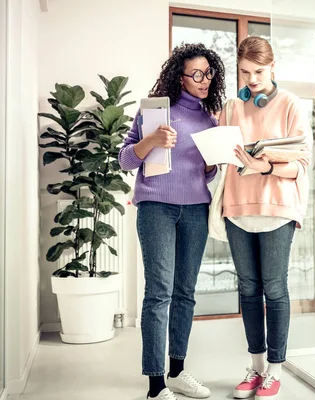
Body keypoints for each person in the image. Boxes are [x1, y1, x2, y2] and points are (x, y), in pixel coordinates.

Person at [119, 43, 226, 400]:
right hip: (156, 209)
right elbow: (125, 160)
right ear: (178, 77)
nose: (204, 80)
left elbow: (204, 175)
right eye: (196, 74)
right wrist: (150, 140)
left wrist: (211, 167)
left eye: (209, 73)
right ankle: (155, 384)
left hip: (196, 209)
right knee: (159, 293)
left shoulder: (211, 119)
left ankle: (178, 372)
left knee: (185, 293)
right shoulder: (154, 112)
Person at [218, 36, 311, 399]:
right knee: (248, 291)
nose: (251, 79)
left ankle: (274, 370)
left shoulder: (290, 104)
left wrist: (266, 164)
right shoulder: (230, 107)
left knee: (274, 289)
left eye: (259, 71)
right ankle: (255, 369)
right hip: (238, 210)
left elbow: (300, 164)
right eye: (244, 72)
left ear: (273, 68)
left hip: (277, 210)